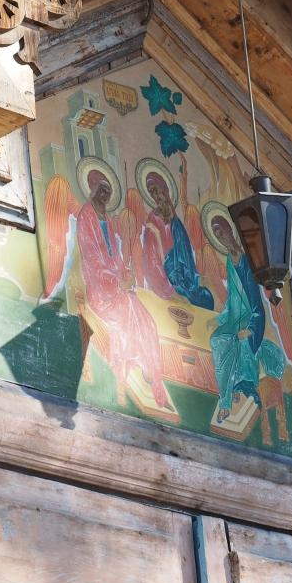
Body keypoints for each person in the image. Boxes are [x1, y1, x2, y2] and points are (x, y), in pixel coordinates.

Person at [75, 167, 173, 409]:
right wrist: (115, 280)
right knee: (126, 312)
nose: (105, 195)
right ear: (93, 190)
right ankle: (121, 375)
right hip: (100, 289)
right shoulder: (86, 216)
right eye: (102, 190)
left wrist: (126, 273)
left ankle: (153, 374)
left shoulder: (107, 219)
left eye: (108, 191)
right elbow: (91, 257)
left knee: (147, 320)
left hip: (116, 288)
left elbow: (116, 257)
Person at [208, 214, 288, 441]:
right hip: (235, 318)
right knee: (217, 340)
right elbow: (233, 297)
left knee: (240, 342)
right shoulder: (230, 261)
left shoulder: (245, 261)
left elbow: (256, 304)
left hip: (252, 319)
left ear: (230, 232)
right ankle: (230, 389)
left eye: (222, 232)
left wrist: (252, 329)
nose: (221, 237)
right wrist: (222, 317)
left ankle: (232, 394)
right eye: (217, 235)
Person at [140, 165, 214, 310]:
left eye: (158, 191)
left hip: (184, 277)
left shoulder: (176, 222)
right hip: (167, 278)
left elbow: (186, 255)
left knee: (205, 297)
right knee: (186, 299)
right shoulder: (152, 220)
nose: (156, 196)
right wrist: (169, 289)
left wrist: (189, 278)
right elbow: (152, 259)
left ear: (165, 190)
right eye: (152, 193)